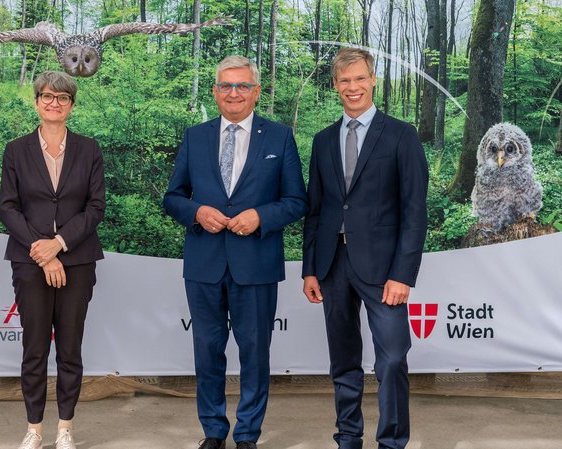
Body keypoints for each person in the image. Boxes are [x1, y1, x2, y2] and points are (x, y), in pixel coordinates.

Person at [163, 55, 307, 449]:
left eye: (243, 85)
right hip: (204, 264)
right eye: (226, 85)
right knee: (207, 353)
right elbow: (172, 198)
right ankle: (213, 430)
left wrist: (260, 216)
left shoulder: (278, 137)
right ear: (215, 91)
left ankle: (247, 434)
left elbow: (296, 200)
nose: (234, 93)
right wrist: (197, 212)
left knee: (255, 354)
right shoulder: (195, 136)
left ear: (256, 92)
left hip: (256, 265)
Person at [301, 47, 428, 449]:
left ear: (373, 80)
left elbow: (414, 210)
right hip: (332, 265)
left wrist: (402, 274)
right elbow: (316, 210)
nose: (352, 87)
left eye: (359, 79)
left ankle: (391, 442)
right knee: (343, 361)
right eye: (344, 81)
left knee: (391, 360)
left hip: (384, 269)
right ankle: (348, 438)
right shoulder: (322, 141)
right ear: (335, 86)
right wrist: (309, 268)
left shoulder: (401, 134)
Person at [0, 71, 105, 449]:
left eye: (62, 97)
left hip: (78, 261)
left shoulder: (89, 148)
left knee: (71, 347)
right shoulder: (16, 149)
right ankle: (34, 429)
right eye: (46, 96)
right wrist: (42, 253)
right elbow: (8, 208)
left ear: (71, 106)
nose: (53, 102)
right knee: (35, 347)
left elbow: (95, 207)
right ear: (36, 102)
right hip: (29, 262)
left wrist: (58, 244)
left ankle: (64, 429)